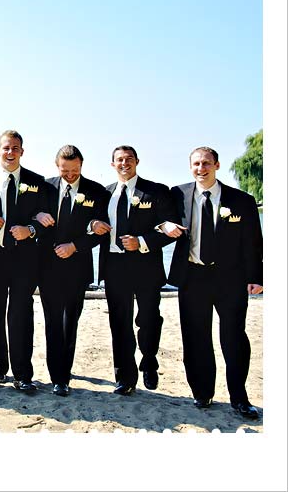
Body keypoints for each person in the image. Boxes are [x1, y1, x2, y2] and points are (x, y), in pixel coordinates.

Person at [164, 147, 263, 419]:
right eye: (196, 164)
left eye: (206, 163)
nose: (201, 168)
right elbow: (159, 219)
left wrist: (256, 278)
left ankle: (239, 398)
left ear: (216, 165)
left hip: (229, 278)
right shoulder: (177, 194)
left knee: (233, 337)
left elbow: (253, 242)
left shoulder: (241, 200)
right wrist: (165, 226)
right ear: (190, 166)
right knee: (196, 337)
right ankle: (202, 393)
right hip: (192, 276)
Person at [96, 145, 177, 395]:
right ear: (112, 164)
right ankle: (125, 378)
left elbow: (169, 228)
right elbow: (90, 223)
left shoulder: (156, 191)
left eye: (128, 159)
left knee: (149, 319)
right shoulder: (104, 193)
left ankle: (149, 359)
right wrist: (91, 224)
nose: (124, 163)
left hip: (145, 265)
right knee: (119, 322)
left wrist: (142, 241)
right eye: (119, 160)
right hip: (114, 265)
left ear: (137, 161)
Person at [33, 145, 110, 396]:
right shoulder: (45, 187)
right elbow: (29, 216)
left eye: (74, 170)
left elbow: (101, 230)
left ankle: (63, 373)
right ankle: (58, 376)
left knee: (70, 322)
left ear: (81, 165)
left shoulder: (96, 191)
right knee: (53, 321)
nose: (69, 175)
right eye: (65, 170)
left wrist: (76, 246)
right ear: (57, 166)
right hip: (46, 266)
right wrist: (38, 214)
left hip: (77, 267)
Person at [0, 130, 50, 393]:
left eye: (15, 148)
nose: (11, 153)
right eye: (6, 148)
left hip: (23, 258)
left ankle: (23, 373)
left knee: (21, 313)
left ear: (22, 151)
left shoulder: (37, 182)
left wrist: (30, 230)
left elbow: (47, 220)